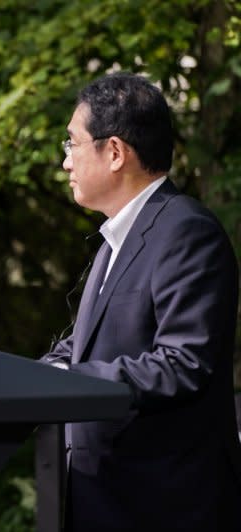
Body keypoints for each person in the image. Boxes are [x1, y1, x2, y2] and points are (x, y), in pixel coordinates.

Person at [40, 73, 241, 531]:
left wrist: (66, 380)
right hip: (102, 500)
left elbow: (183, 362)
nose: (66, 161)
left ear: (114, 152)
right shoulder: (115, 240)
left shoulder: (187, 231)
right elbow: (83, 348)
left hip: (162, 506)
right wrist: (22, 378)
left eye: (71, 143)